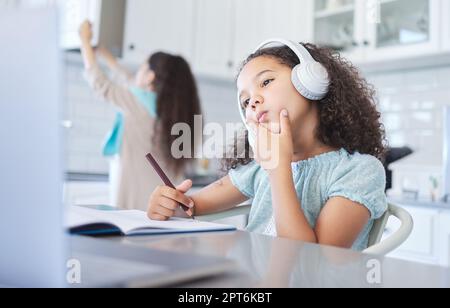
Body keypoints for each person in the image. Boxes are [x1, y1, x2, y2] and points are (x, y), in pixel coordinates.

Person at [147, 40, 388, 251]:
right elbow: (192, 205)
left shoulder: (360, 171)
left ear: (310, 81)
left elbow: (311, 263)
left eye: (266, 81)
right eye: (245, 101)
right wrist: (171, 203)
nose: (253, 102)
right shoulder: (258, 167)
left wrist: (278, 170)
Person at [79, 21, 201, 211]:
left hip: (138, 211)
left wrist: (84, 41)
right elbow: (129, 81)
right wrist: (104, 54)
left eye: (142, 68)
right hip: (167, 210)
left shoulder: (136, 103)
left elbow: (100, 83)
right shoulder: (170, 111)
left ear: (150, 77)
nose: (136, 74)